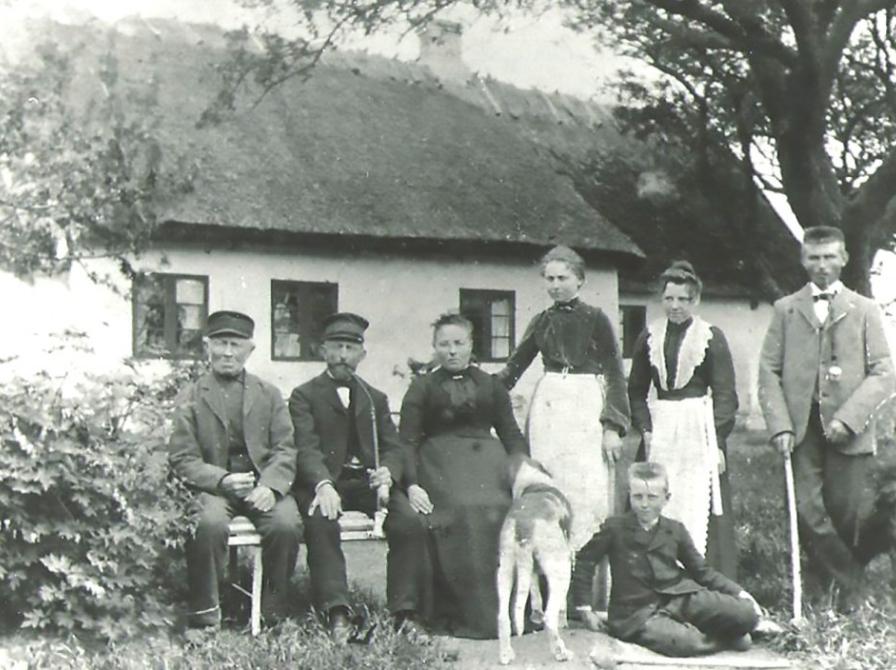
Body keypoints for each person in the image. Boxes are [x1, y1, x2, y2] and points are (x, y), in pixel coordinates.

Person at [758, 225, 895, 611]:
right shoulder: (786, 310)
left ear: (844, 259)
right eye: (814, 258)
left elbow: (884, 371)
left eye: (829, 257)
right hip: (802, 430)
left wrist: (849, 418)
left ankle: (826, 587)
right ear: (803, 260)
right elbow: (768, 370)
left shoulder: (864, 309)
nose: (822, 266)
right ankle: (850, 582)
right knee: (807, 509)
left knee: (844, 512)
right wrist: (781, 425)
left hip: (848, 432)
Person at [289, 312, 426, 643]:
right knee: (322, 520)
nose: (342, 356)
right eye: (336, 347)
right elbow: (305, 448)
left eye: (350, 349)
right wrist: (322, 484)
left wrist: (387, 474)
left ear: (361, 355)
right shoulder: (304, 395)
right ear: (322, 351)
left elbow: (393, 447)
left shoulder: (374, 398)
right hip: (323, 484)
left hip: (365, 484)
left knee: (409, 521)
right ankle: (338, 612)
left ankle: (403, 614)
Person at [168, 310, 301, 629]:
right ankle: (205, 617)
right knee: (207, 523)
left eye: (236, 344)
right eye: (221, 343)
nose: (228, 352)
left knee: (286, 523)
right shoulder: (191, 396)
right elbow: (183, 457)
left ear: (250, 350)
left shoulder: (268, 394)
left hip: (262, 487)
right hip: (213, 489)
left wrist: (270, 486)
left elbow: (286, 447)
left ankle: (273, 613)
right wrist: (222, 480)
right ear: (207, 347)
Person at [400, 313, 529, 638]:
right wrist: (413, 484)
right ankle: (464, 615)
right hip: (439, 466)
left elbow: (511, 434)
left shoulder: (491, 385)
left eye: (459, 343)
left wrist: (524, 475)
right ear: (434, 348)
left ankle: (509, 613)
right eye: (444, 344)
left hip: (488, 464)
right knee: (463, 509)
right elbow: (408, 441)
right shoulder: (422, 387)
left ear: (471, 345)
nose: (452, 351)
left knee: (499, 507)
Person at [496, 244, 630, 552]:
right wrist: (482, 390)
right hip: (550, 408)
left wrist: (613, 427)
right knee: (550, 481)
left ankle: (585, 570)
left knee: (586, 487)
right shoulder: (542, 321)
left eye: (563, 278)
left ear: (580, 280)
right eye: (550, 279)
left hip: (585, 408)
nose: (555, 285)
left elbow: (614, 373)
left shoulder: (597, 319)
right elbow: (514, 368)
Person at [573, 463, 761, 657]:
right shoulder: (615, 528)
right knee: (687, 643)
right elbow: (585, 560)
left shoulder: (675, 529)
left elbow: (702, 571)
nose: (644, 504)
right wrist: (584, 608)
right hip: (637, 612)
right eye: (638, 496)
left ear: (666, 498)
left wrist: (739, 592)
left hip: (680, 597)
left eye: (652, 497)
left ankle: (706, 628)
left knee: (747, 614)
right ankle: (726, 640)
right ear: (630, 495)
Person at [627, 260, 739, 577]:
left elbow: (726, 394)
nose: (675, 306)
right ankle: (651, 577)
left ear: (696, 301)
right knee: (652, 495)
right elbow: (635, 390)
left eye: (683, 299)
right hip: (660, 428)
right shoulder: (648, 337)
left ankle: (702, 579)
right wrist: (645, 428)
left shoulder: (710, 337)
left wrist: (715, 440)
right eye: (669, 299)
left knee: (699, 501)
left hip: (697, 428)